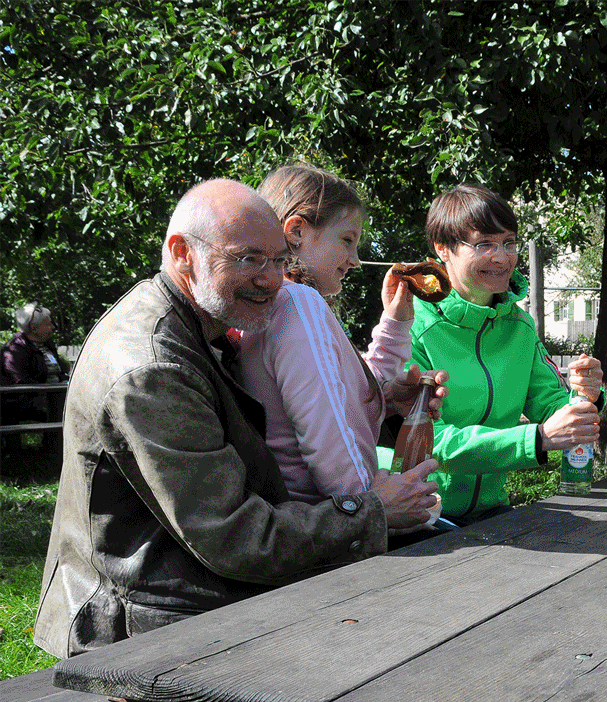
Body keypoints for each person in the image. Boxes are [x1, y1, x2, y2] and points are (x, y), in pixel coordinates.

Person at [34, 179, 439, 659]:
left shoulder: (202, 324)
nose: (271, 279)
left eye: (279, 261)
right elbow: (231, 534)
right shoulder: (152, 367)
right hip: (141, 622)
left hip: (183, 591)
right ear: (182, 252)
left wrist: (383, 401)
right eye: (248, 258)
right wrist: (370, 511)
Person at [379, 183, 603, 525]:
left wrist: (583, 395)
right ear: (444, 249)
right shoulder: (410, 325)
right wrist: (538, 438)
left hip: (493, 511)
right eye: (484, 244)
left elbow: (549, 405)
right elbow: (432, 443)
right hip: (417, 515)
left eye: (508, 242)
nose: (501, 257)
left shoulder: (520, 326)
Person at [234, 164, 443, 511]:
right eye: (347, 240)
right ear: (297, 231)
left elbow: (332, 402)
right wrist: (375, 506)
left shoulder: (269, 308)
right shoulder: (299, 303)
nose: (356, 260)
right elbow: (329, 441)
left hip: (307, 516)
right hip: (331, 519)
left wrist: (387, 389)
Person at [2, 303, 71, 452]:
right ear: (33, 328)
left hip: (53, 394)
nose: (53, 327)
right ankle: (57, 454)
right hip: (23, 400)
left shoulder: (47, 344)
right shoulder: (14, 350)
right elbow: (20, 383)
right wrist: (51, 392)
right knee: (62, 403)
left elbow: (57, 371)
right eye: (48, 324)